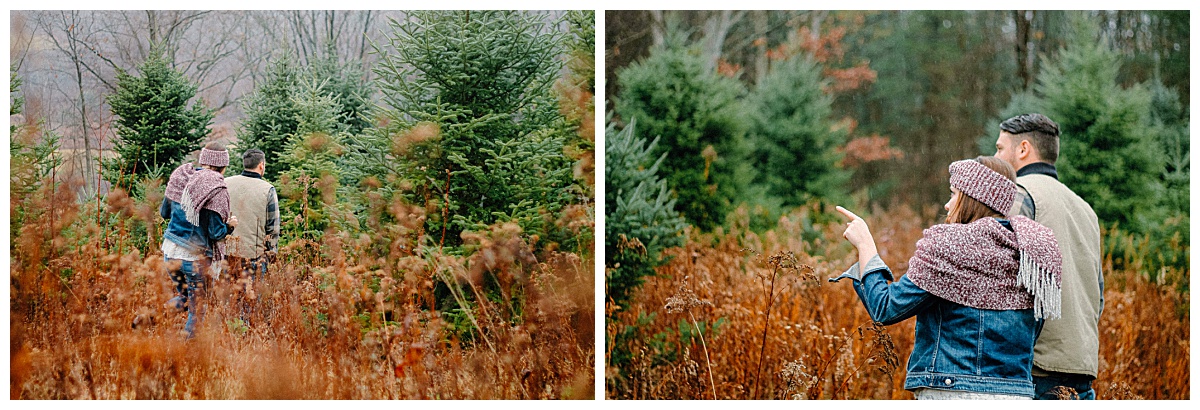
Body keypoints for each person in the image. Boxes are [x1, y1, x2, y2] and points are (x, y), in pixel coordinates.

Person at [831, 156, 1063, 400]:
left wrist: (866, 246)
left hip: (950, 391)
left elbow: (886, 308)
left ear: (974, 198)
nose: (947, 205)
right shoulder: (1034, 252)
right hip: (1016, 394)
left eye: (954, 194)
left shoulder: (949, 246)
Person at [994, 113, 1103, 400]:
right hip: (1081, 366)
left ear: (1023, 149)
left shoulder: (1018, 194)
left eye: (1000, 148)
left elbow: (997, 277)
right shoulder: (1085, 209)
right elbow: (1098, 295)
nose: (996, 156)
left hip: (1034, 369)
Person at [160, 142, 238, 339]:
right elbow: (215, 233)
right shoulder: (217, 188)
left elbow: (164, 213)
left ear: (203, 160)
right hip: (193, 257)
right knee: (197, 310)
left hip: (170, 251)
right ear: (223, 166)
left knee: (184, 298)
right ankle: (187, 355)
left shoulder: (180, 176)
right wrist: (230, 225)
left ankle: (149, 318)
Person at [223, 148, 279, 325]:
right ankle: (244, 338)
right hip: (253, 256)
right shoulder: (268, 190)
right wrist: (270, 255)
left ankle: (225, 335)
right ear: (261, 165)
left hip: (225, 252)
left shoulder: (225, 183)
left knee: (227, 299)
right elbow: (273, 228)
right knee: (249, 302)